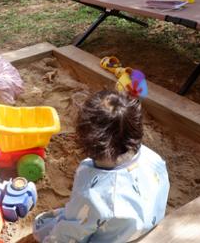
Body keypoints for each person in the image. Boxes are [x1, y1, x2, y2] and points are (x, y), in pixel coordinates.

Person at [33, 90, 170, 243]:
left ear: (88, 141)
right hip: (140, 228)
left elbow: (67, 236)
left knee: (43, 225)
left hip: (110, 232)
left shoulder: (94, 194)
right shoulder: (153, 158)